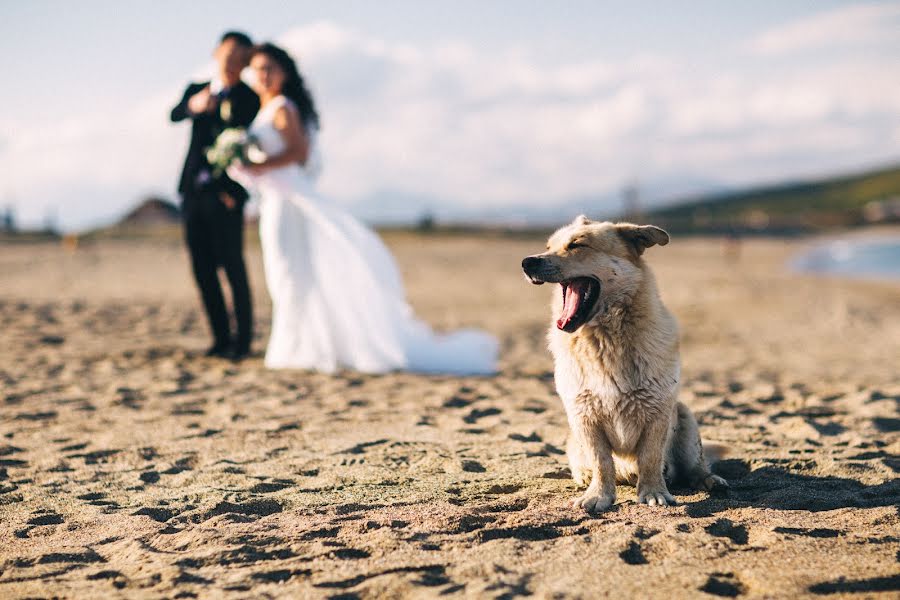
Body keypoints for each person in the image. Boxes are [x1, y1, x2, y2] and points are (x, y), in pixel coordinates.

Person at [229, 43, 498, 374]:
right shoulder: (265, 109)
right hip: (275, 199)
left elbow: (299, 153)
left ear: (285, 73)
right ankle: (299, 345)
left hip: (289, 202)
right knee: (284, 274)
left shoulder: (284, 107)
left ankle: (298, 349)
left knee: (289, 274)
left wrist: (258, 166)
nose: (264, 74)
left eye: (270, 67)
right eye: (258, 68)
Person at [170, 31, 260, 360]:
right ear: (216, 52)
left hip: (227, 196)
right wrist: (195, 107)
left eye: (242, 56)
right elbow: (174, 114)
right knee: (202, 268)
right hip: (192, 191)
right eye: (230, 53)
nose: (235, 60)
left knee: (233, 267)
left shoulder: (250, 98)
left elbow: (249, 147)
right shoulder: (197, 90)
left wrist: (232, 191)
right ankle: (220, 338)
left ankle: (243, 341)